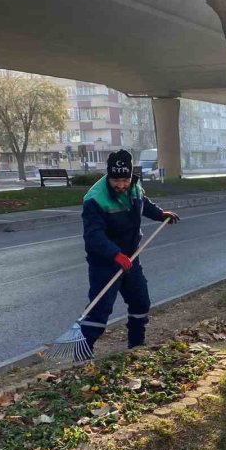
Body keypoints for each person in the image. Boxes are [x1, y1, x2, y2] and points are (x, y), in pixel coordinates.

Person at [80, 150, 179, 353]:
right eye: (116, 180)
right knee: (99, 309)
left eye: (125, 179)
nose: (121, 185)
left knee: (140, 301)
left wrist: (160, 214)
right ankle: (83, 351)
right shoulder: (94, 199)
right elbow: (93, 236)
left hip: (131, 257)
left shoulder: (135, 186)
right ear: (109, 176)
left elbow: (143, 204)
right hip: (105, 262)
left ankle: (136, 344)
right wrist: (115, 255)